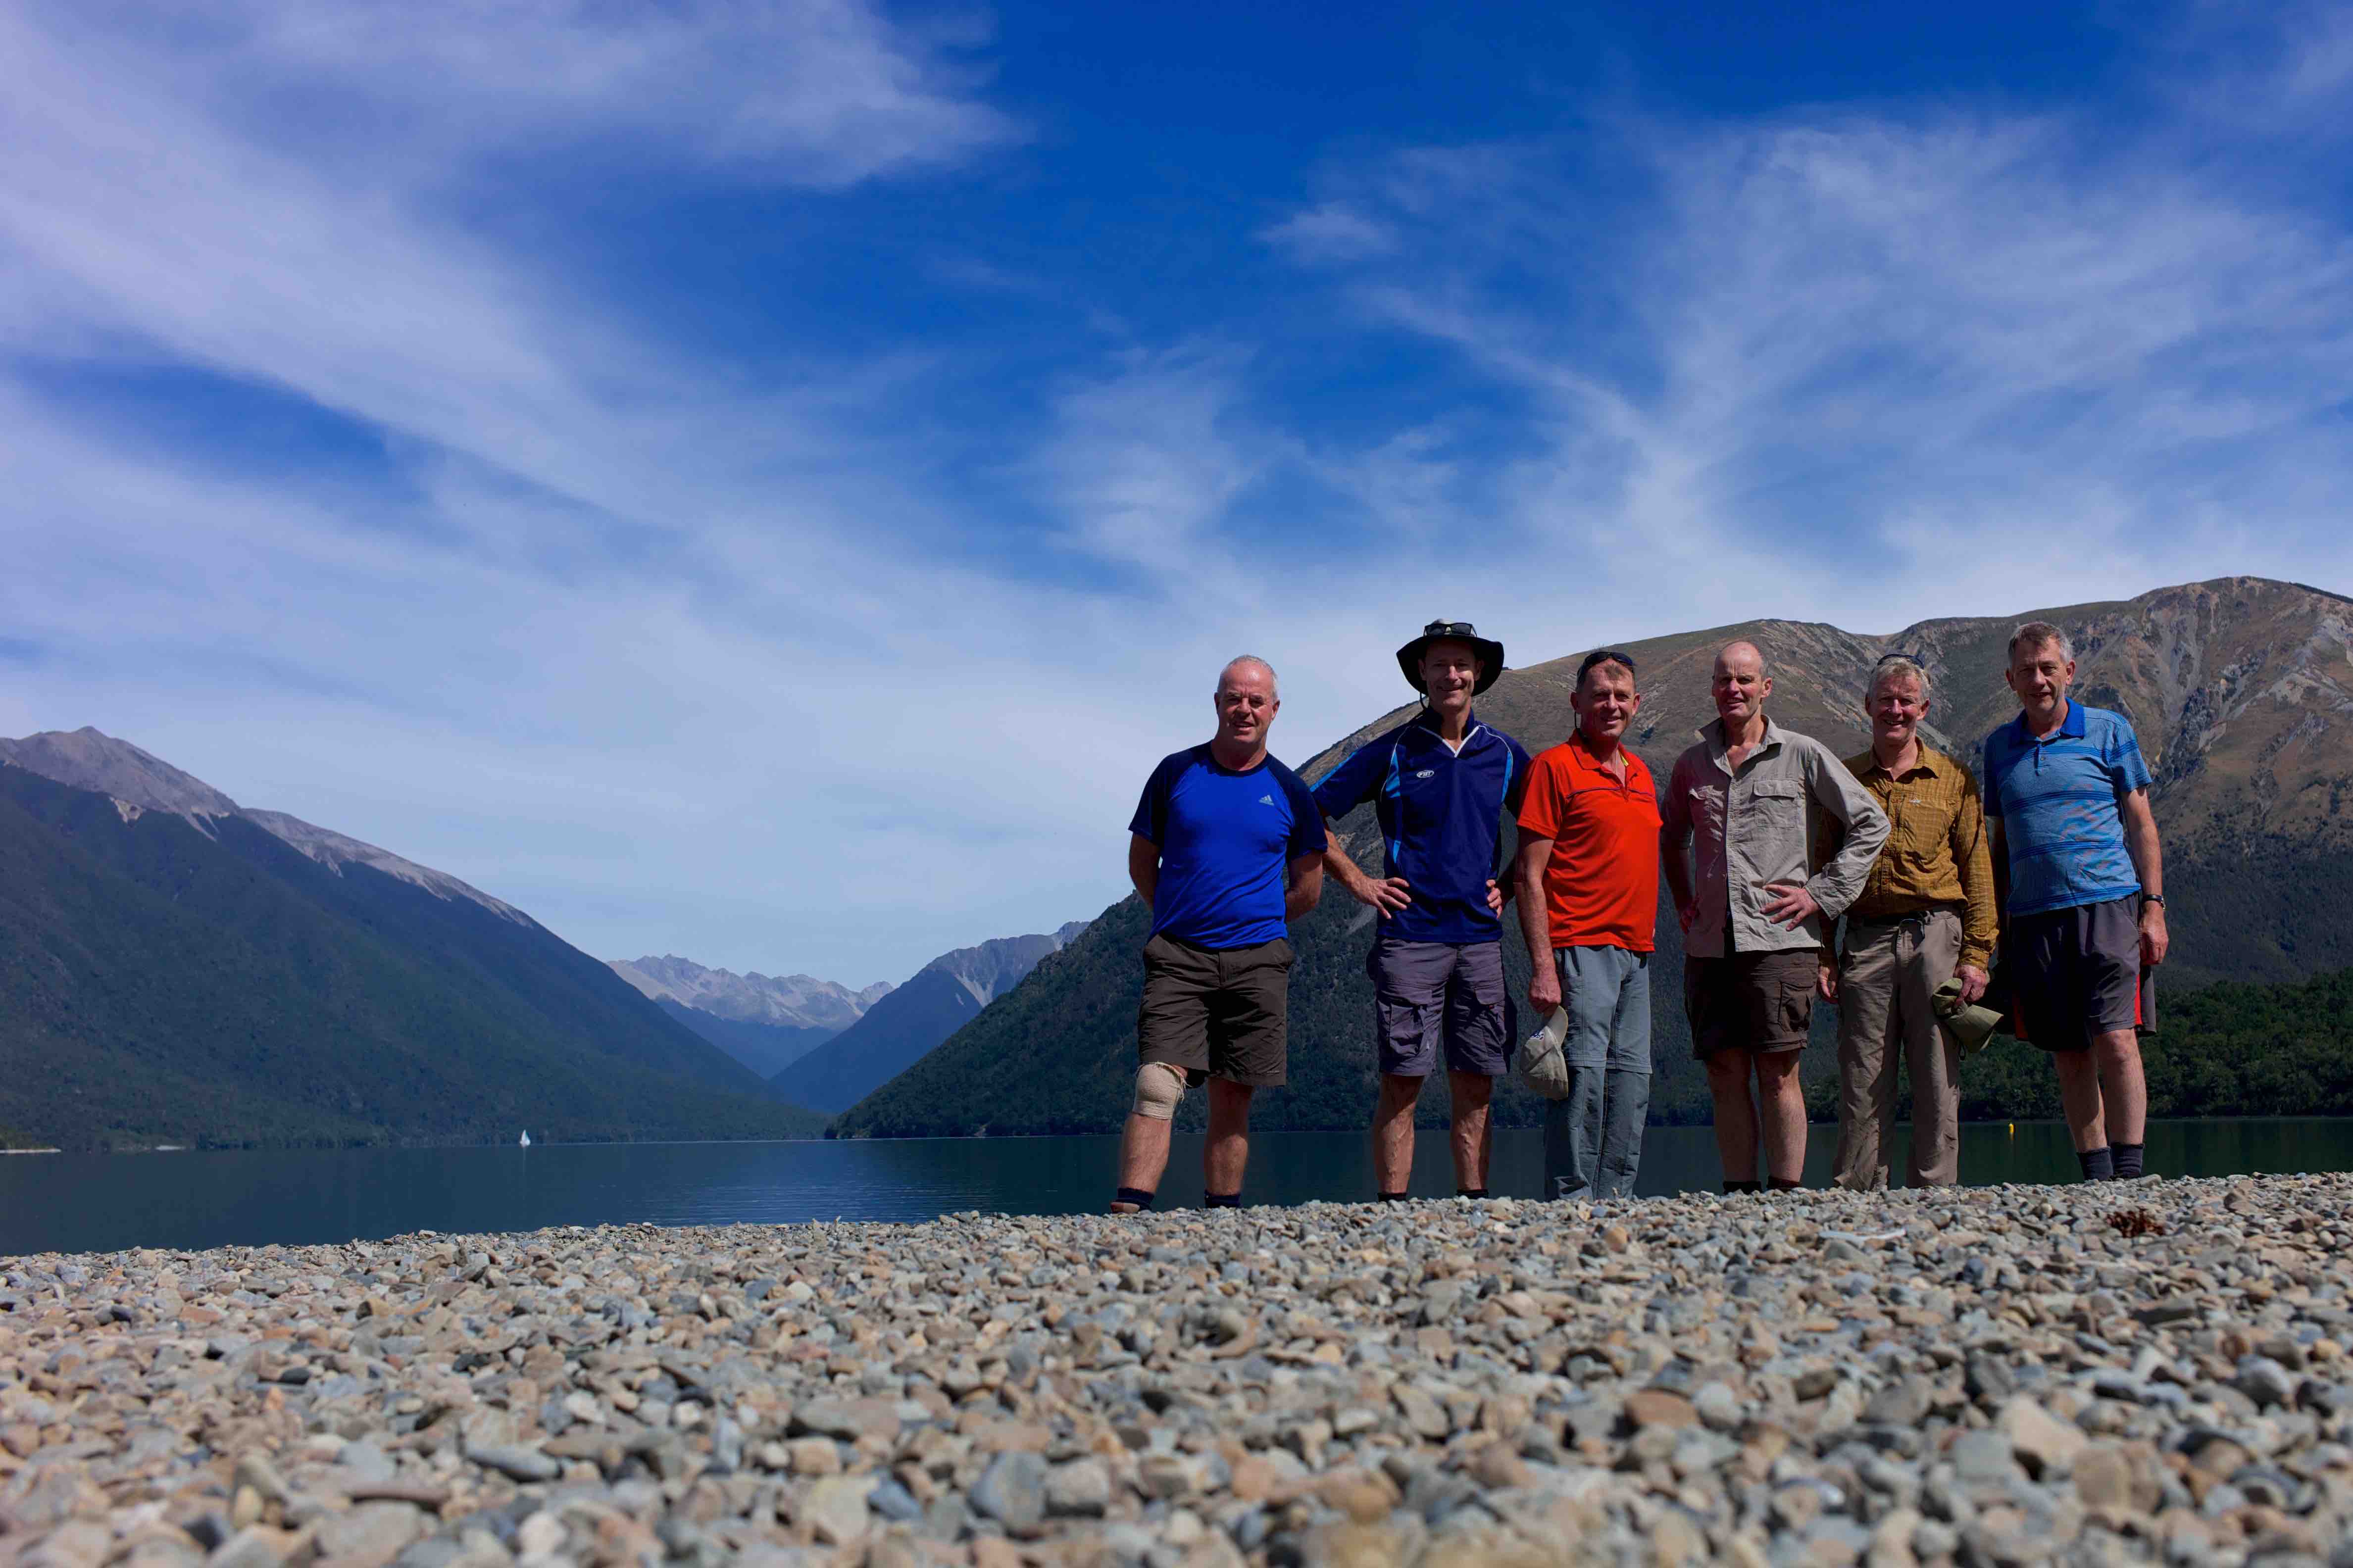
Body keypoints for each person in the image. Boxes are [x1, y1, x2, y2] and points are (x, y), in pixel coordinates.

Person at [1312, 621, 1532, 1201]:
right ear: (1423, 676)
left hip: (1481, 939)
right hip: (1409, 937)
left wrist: (1509, 884)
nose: (1451, 675)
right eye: (1439, 666)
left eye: (1461, 664)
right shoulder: (1394, 750)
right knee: (1403, 1079)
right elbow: (1312, 815)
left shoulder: (1504, 754)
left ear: (1478, 673)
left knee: (1477, 1079)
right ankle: (1393, 1207)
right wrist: (1360, 882)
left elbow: (1547, 828)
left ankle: (1474, 1204)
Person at [1659, 640, 1888, 1192]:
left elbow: (1871, 823)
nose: (1732, 690)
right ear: (1713, 689)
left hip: (1780, 939)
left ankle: (1785, 1193)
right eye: (1723, 681)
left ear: (1766, 688)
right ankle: (1739, 1193)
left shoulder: (1802, 753)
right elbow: (1671, 840)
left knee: (1778, 1071)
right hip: (1710, 945)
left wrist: (1821, 894)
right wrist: (1684, 901)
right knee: (1723, 1072)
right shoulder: (1690, 765)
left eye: (1744, 680)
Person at [1113, 656, 1325, 1214]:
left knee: (1233, 1096)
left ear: (1274, 711)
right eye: (1234, 698)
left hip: (1258, 962)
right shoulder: (1175, 773)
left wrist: (1257, 920)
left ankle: (1221, 1216)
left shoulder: (1288, 790)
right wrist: (1175, 913)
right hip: (1179, 955)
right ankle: (1127, 1215)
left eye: (1256, 701)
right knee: (1158, 1085)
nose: (1244, 709)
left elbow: (1308, 887)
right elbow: (1142, 861)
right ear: (1216, 704)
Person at [1982, 622, 2166, 1182]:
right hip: (2033, 918)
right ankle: (2094, 1173)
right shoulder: (1997, 747)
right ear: (2010, 679)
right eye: (2026, 671)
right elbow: (1997, 842)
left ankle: (2130, 1171)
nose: (2038, 680)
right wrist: (1994, 923)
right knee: (2067, 1050)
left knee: (2116, 1037)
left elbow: (2142, 825)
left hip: (2109, 904)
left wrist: (2153, 908)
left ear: (2069, 671)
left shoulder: (2109, 730)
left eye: (2047, 668)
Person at [1818, 656, 1998, 1190]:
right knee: (1861, 1075)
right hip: (1865, 939)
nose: (1895, 710)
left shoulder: (1953, 778)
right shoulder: (1842, 779)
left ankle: (1935, 1196)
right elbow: (1820, 871)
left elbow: (1978, 870)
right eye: (1885, 700)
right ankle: (1856, 1197)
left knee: (1937, 1073)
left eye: (1905, 700)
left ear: (1923, 708)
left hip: (1937, 934)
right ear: (1867, 706)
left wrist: (1977, 956)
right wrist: (1823, 954)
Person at [1513, 650, 1661, 1200]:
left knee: (1631, 1080)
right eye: (1599, 695)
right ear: (1576, 703)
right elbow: (1529, 876)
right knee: (1578, 1080)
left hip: (1637, 952)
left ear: (1636, 704)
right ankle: (1569, 1198)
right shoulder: (1554, 767)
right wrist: (1543, 967)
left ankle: (1617, 1198)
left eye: (1621, 696)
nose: (1611, 705)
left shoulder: (1642, 774)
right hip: (1579, 944)